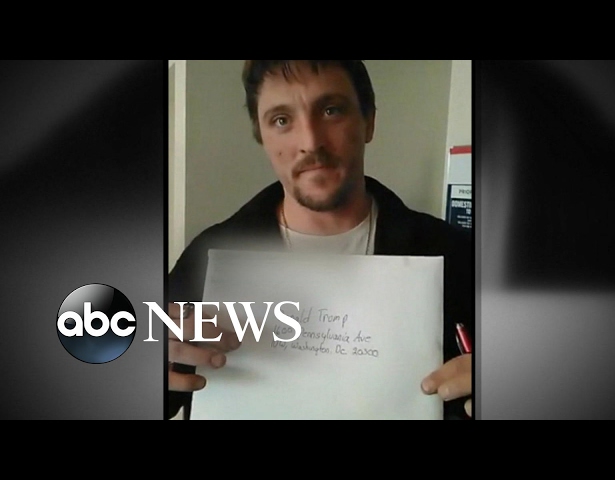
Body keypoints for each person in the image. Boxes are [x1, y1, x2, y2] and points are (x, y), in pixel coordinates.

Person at [167, 60, 473, 420]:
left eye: (331, 110)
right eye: (282, 120)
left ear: (369, 122)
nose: (310, 142)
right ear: (262, 136)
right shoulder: (205, 258)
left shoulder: (456, 254)